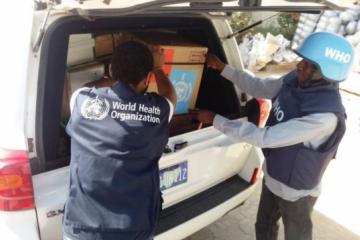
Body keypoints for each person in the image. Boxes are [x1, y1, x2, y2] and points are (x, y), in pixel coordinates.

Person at [193, 32, 354, 240]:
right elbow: (259, 87)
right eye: (302, 60)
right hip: (273, 176)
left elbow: (264, 137)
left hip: (296, 193)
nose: (299, 66)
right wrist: (223, 68)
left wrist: (215, 119)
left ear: (325, 73)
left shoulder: (324, 117)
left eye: (308, 64)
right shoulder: (295, 80)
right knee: (264, 227)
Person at [63, 41, 177, 240]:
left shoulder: (81, 101)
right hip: (134, 230)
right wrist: (159, 69)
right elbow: (170, 96)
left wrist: (114, 80)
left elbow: (87, 88)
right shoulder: (158, 111)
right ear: (148, 78)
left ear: (111, 70)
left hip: (83, 229)